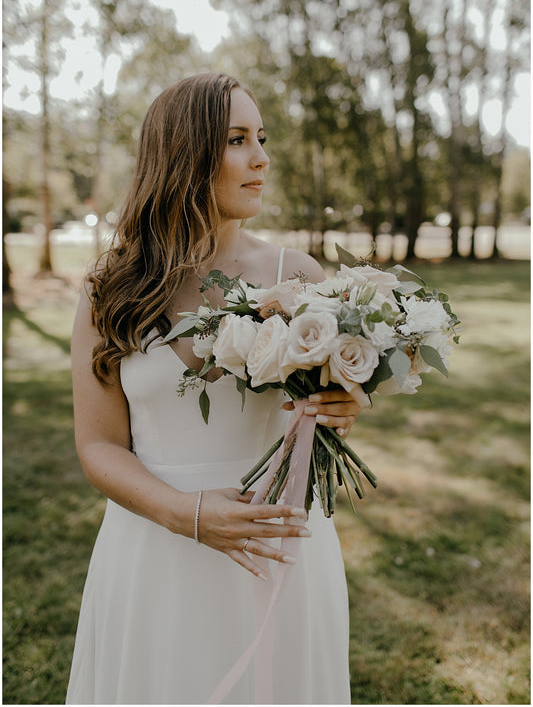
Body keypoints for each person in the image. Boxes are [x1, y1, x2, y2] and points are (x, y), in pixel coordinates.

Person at [66, 73, 362, 704]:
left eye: (261, 137)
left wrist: (340, 404)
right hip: (153, 547)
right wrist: (190, 515)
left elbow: (319, 409)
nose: (262, 157)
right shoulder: (110, 290)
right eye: (237, 139)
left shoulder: (296, 276)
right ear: (183, 155)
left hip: (274, 545)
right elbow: (97, 447)